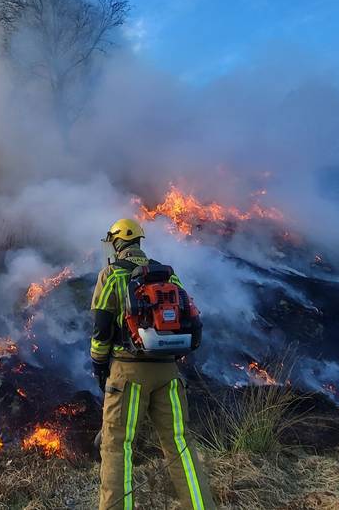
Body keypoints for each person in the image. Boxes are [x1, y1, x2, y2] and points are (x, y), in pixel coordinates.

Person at [90, 218, 215, 510]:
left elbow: (101, 327)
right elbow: (189, 317)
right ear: (139, 242)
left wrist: (99, 365)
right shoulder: (167, 275)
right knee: (179, 445)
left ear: (117, 242)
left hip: (128, 373)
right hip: (169, 373)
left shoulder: (113, 275)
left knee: (117, 446)